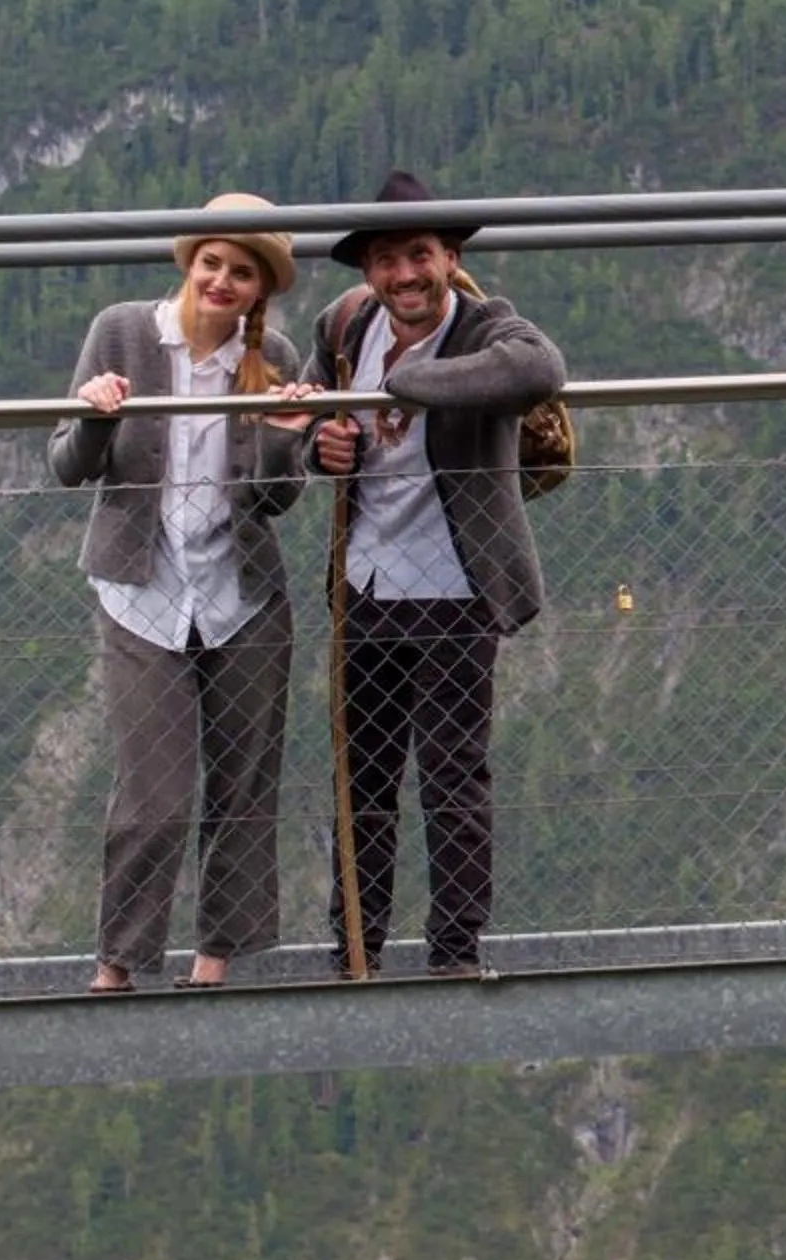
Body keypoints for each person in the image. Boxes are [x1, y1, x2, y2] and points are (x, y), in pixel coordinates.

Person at [49, 193, 318, 993]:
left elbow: (276, 500)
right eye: (213, 263)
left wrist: (282, 444)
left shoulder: (277, 358)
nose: (223, 281)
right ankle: (118, 964)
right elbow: (68, 465)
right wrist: (96, 417)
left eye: (242, 271)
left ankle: (215, 960)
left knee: (243, 783)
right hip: (142, 592)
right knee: (154, 795)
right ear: (190, 261)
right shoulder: (123, 331)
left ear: (260, 287)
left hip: (243, 595)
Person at [307, 169, 565, 979]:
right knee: (363, 780)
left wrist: (408, 382)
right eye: (385, 261)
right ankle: (358, 948)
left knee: (453, 777)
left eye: (419, 255)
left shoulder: (489, 327)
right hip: (367, 586)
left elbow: (538, 370)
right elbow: (315, 421)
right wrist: (322, 445)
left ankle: (454, 953)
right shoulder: (344, 325)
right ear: (366, 273)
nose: (403, 276)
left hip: (457, 585)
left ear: (450, 257)